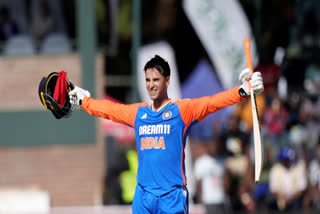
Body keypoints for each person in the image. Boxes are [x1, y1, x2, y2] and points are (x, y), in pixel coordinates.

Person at [68, 55, 264, 214]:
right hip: (143, 196)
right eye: (147, 80)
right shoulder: (139, 113)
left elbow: (212, 102)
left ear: (167, 80)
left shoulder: (182, 111)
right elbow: (109, 110)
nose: (151, 85)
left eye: (156, 80)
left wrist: (243, 91)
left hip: (171, 198)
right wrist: (84, 100)